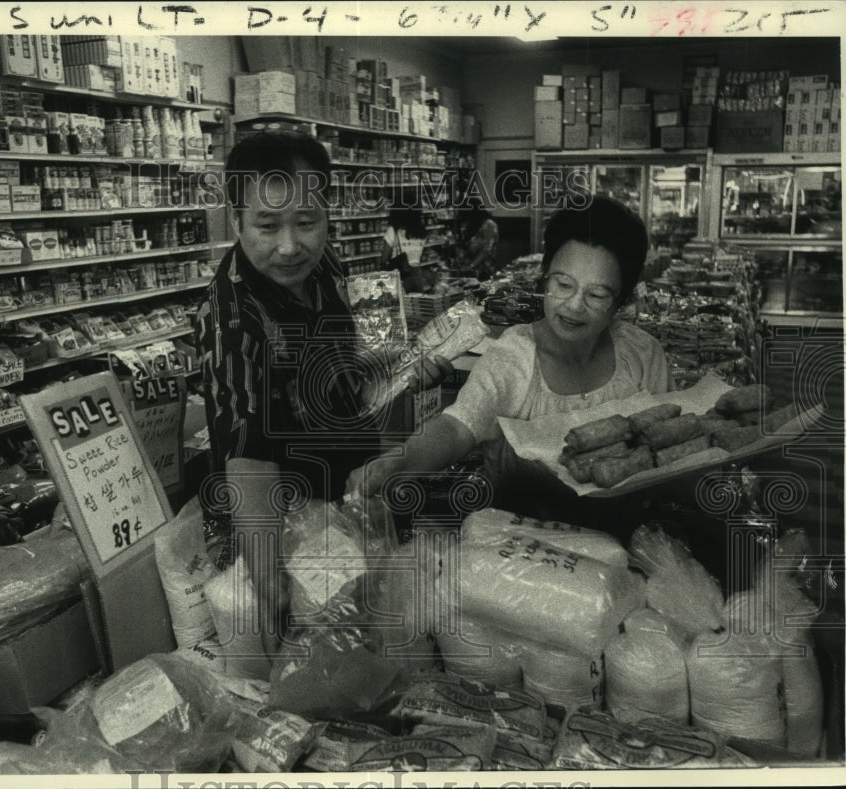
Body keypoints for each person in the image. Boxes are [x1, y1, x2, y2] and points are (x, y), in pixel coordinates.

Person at [193, 132, 450, 658]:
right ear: (235, 221)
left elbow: (339, 360)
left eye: (306, 223)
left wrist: (398, 368)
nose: (289, 246)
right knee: (334, 669)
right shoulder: (232, 322)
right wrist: (282, 608)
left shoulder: (325, 266)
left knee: (389, 643)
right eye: (267, 226)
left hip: (356, 496)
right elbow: (250, 472)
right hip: (295, 534)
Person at [346, 196, 675, 515]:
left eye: (597, 294)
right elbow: (458, 427)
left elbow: (669, 445)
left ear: (621, 300)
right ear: (545, 276)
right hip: (519, 545)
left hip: (628, 534)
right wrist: (399, 462)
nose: (574, 305)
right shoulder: (515, 355)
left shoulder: (642, 355)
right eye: (562, 285)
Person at [380, 205, 432, 293]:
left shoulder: (393, 230)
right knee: (417, 303)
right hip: (417, 275)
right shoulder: (421, 232)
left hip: (400, 276)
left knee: (402, 305)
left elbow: (384, 257)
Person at [462, 198, 499, 280]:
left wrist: (471, 265)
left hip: (485, 270)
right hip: (472, 269)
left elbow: (486, 250)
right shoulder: (474, 224)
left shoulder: (489, 225)